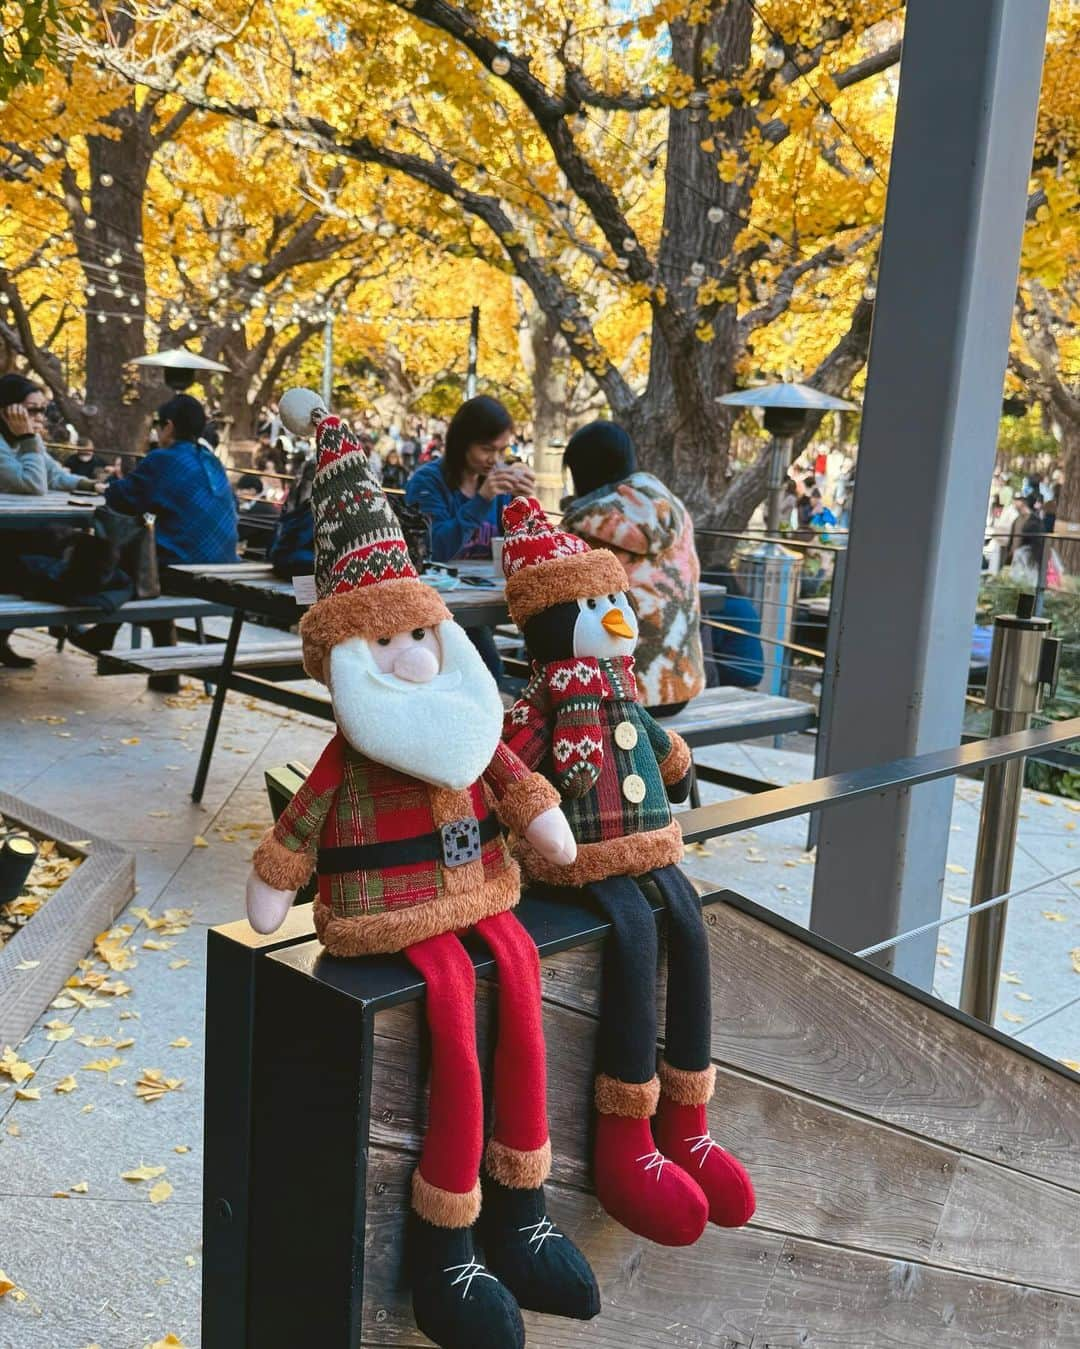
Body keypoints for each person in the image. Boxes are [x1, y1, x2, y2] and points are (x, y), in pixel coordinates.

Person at [70, 394, 238, 689]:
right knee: (152, 559)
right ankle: (162, 672)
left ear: (169, 426)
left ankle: (100, 630)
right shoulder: (211, 460)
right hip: (224, 564)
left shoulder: (164, 459)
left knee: (124, 555)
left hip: (184, 567)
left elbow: (119, 498)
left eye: (158, 425)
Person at [560, 420, 705, 713]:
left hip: (622, 692)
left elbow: (559, 586)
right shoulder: (669, 505)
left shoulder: (587, 523)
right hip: (679, 685)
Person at [406, 396, 535, 685]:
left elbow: (518, 547)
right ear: (462, 443)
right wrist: (481, 501)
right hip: (436, 604)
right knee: (488, 670)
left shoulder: (498, 484)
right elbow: (432, 549)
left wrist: (525, 504)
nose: (495, 459)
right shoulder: (428, 482)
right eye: (487, 449)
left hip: (481, 598)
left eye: (502, 450)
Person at [0, 374, 101, 495]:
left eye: (42, 410)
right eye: (32, 410)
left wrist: (93, 485)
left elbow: (54, 475)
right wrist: (27, 438)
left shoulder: (30, 438)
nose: (40, 418)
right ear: (5, 412)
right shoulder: (27, 438)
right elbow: (34, 485)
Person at [701, 571, 764, 689]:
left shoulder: (720, 607)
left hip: (733, 672)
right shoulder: (745, 603)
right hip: (755, 669)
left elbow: (711, 642)